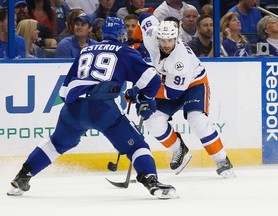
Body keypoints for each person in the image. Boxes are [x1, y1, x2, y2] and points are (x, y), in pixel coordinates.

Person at [7, 16, 176, 200]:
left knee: (56, 143)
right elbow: (152, 79)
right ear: (121, 35)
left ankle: (22, 176)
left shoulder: (86, 50)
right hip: (102, 108)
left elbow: (64, 91)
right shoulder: (125, 51)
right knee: (137, 146)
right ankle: (151, 180)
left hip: (73, 107)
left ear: (102, 33)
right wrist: (145, 98)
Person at [130, 12, 236, 178]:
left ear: (176, 38)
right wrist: (137, 41)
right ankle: (179, 149)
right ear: (157, 37)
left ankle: (222, 161)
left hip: (194, 84)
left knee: (196, 120)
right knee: (152, 120)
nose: (166, 44)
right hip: (166, 83)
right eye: (163, 40)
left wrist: (143, 92)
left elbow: (172, 93)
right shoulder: (152, 35)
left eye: (170, 40)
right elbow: (144, 17)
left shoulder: (180, 60)